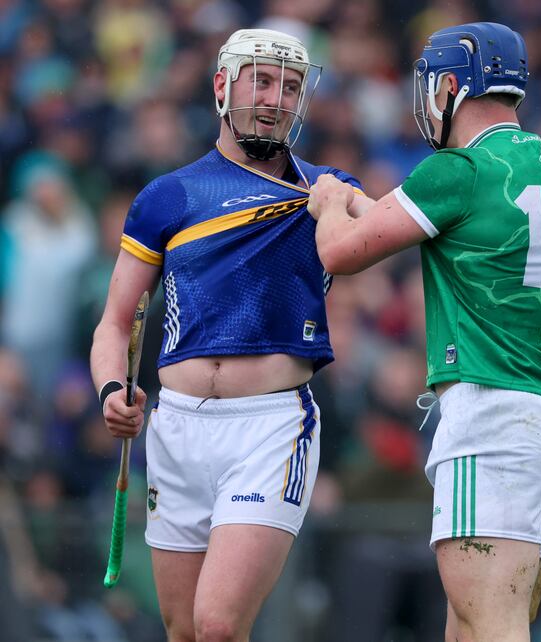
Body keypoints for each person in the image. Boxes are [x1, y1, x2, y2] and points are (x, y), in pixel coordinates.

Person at [308, 22, 541, 642]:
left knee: (494, 626)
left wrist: (327, 203)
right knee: (467, 630)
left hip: (492, 421)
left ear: (451, 86)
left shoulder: (456, 168)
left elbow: (341, 254)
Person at [90, 28, 364, 642]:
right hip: (177, 428)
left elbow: (389, 230)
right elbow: (114, 323)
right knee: (184, 632)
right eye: (262, 82)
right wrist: (112, 390)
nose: (276, 99)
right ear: (223, 86)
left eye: (291, 87)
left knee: (217, 627)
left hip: (269, 429)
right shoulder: (168, 196)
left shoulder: (324, 188)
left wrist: (341, 207)